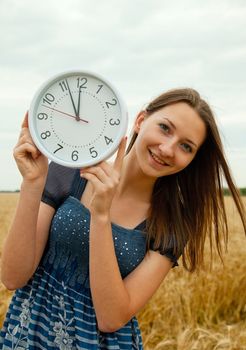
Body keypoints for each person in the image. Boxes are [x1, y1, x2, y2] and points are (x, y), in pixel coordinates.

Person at [0, 88, 245, 349]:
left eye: (186, 146)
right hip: (29, 333)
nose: (167, 148)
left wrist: (101, 216)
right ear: (140, 120)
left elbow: (111, 318)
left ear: (192, 159)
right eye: (164, 128)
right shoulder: (70, 171)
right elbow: (13, 278)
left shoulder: (172, 224)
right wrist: (32, 182)